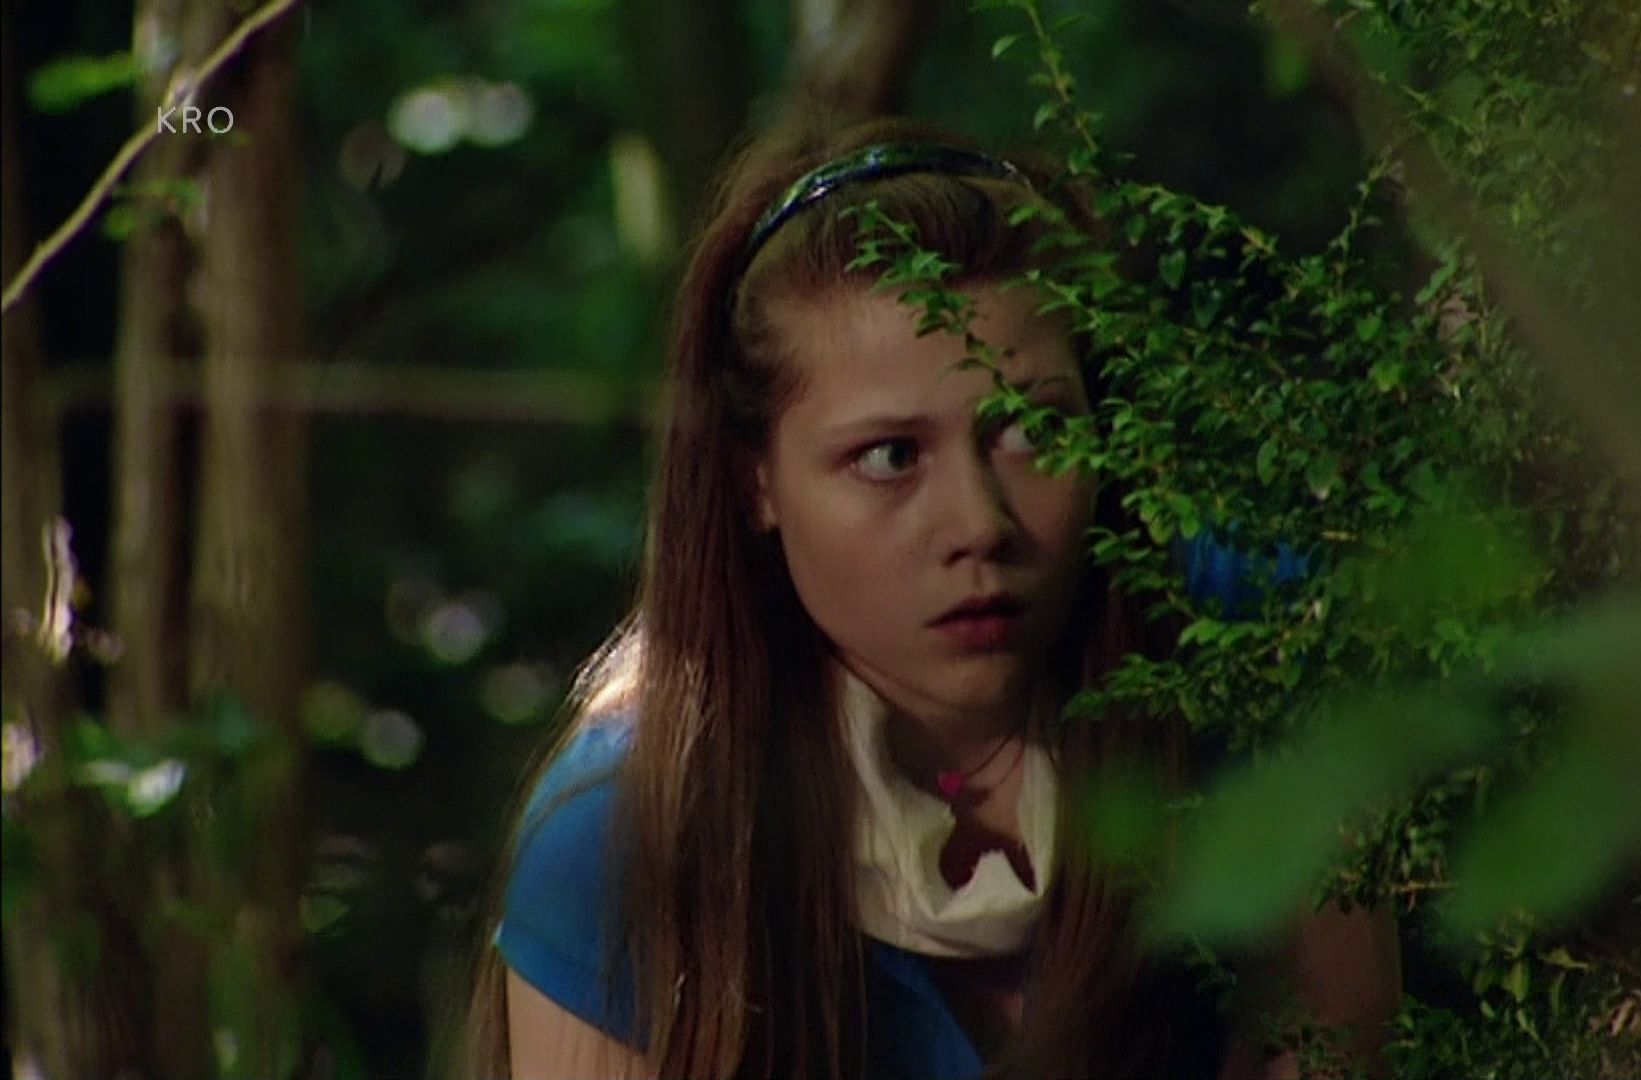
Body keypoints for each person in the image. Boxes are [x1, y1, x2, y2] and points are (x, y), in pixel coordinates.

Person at [455, 114, 1400, 1080]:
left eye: (1034, 432)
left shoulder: (1240, 643)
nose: (979, 524)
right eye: (890, 457)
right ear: (755, 482)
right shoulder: (632, 830)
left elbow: (1342, 1032)